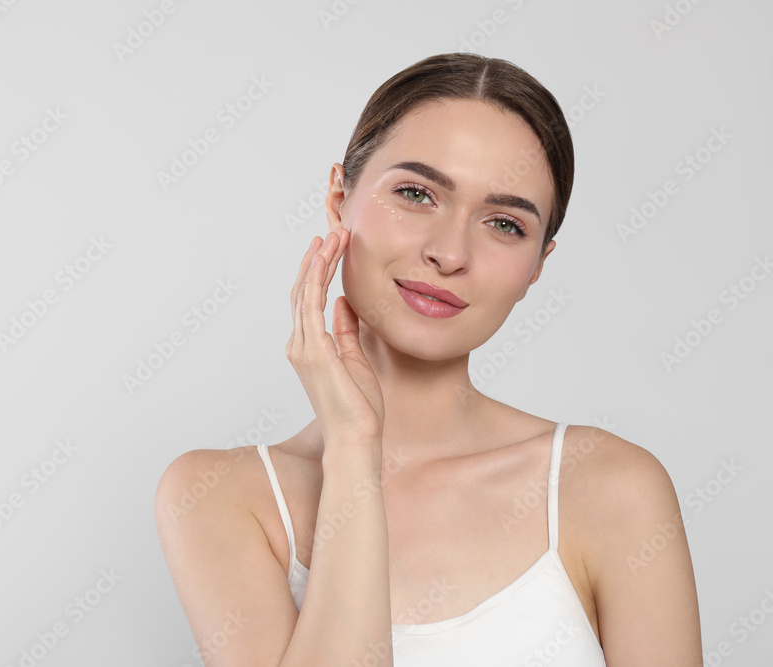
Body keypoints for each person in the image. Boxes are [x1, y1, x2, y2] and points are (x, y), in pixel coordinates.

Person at [155, 53, 702, 666]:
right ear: (339, 199)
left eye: (503, 223)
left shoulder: (611, 488)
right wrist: (355, 445)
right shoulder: (221, 497)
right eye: (416, 194)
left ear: (538, 266)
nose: (448, 252)